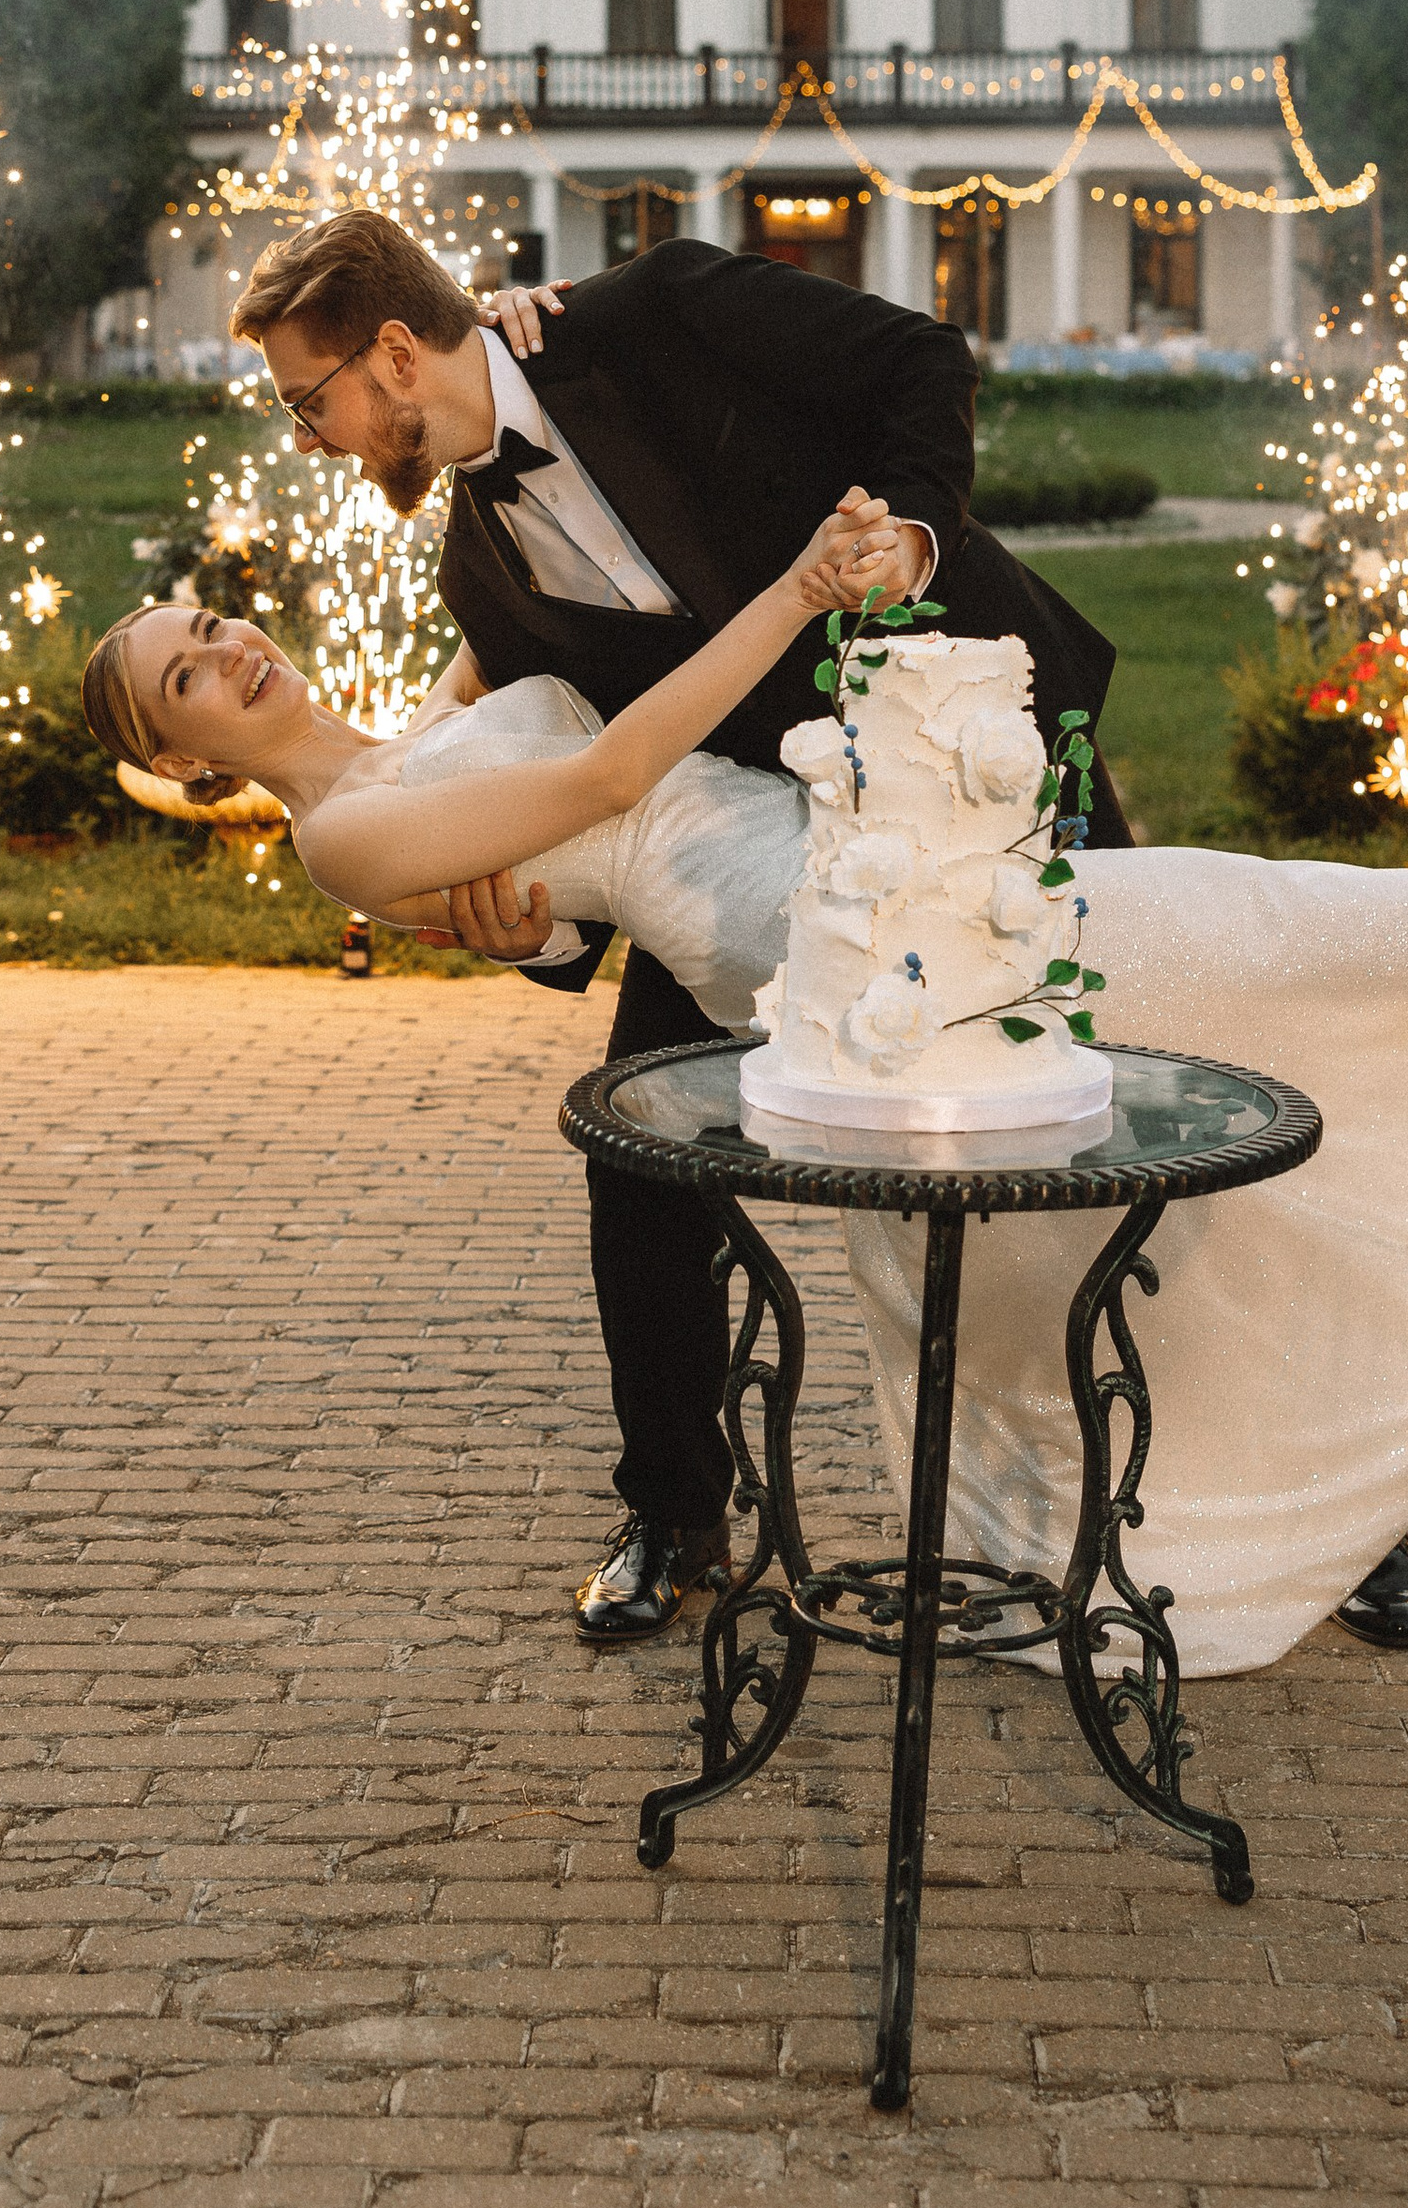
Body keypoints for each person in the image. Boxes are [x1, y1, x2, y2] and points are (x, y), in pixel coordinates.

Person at [80, 492, 1408, 1683]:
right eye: (185, 675)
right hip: (837, 937)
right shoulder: (346, 833)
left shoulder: (429, 714)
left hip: (894, 859)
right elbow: (609, 770)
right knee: (1267, 934)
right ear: (174, 761)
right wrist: (804, 601)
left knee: (1230, 1036)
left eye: (213, 622)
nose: (228, 651)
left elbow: (547, 652)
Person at [158, 208, 1133, 1646]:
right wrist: (522, 935)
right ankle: (676, 1515)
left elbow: (922, 359)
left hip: (970, 756)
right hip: (765, 869)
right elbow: (584, 796)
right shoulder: (478, 575)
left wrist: (915, 536)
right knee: (633, 1164)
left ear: (391, 354)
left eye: (315, 400)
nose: (311, 436)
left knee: (1144, 1089)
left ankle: (1313, 1509)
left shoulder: (657, 310)